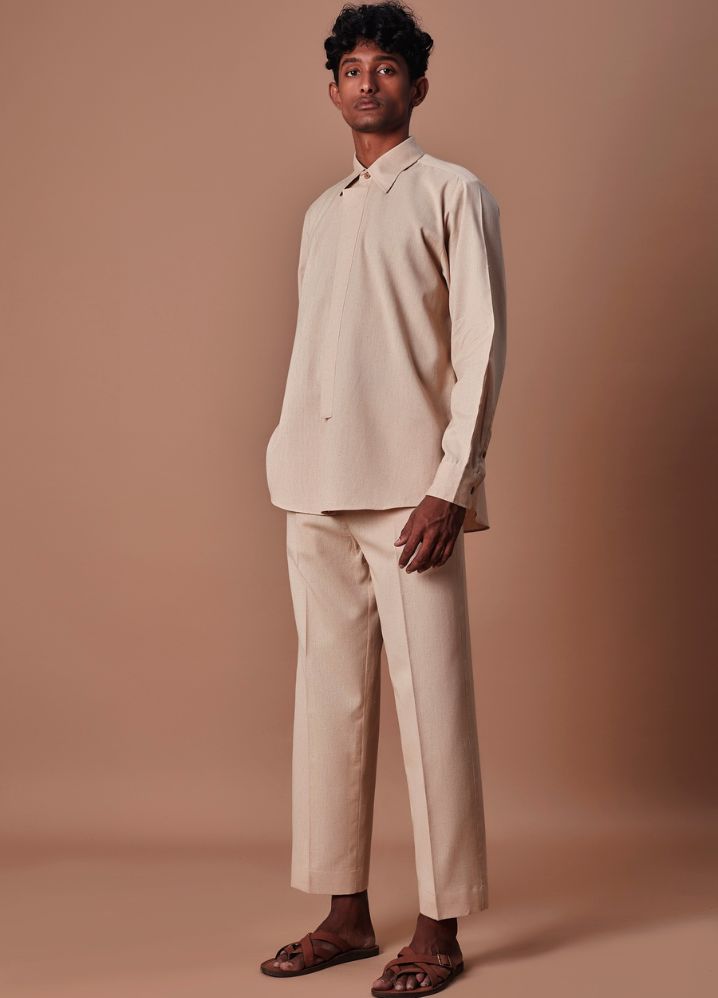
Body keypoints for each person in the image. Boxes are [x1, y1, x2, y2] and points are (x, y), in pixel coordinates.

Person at [260, 2, 507, 994]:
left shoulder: (453, 192)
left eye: (388, 67)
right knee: (329, 706)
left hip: (411, 495)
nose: (369, 82)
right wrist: (286, 455)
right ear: (333, 91)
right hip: (313, 486)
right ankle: (344, 915)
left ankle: (438, 931)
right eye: (353, 69)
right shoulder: (321, 212)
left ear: (418, 86)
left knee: (433, 709)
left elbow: (482, 346)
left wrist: (451, 485)